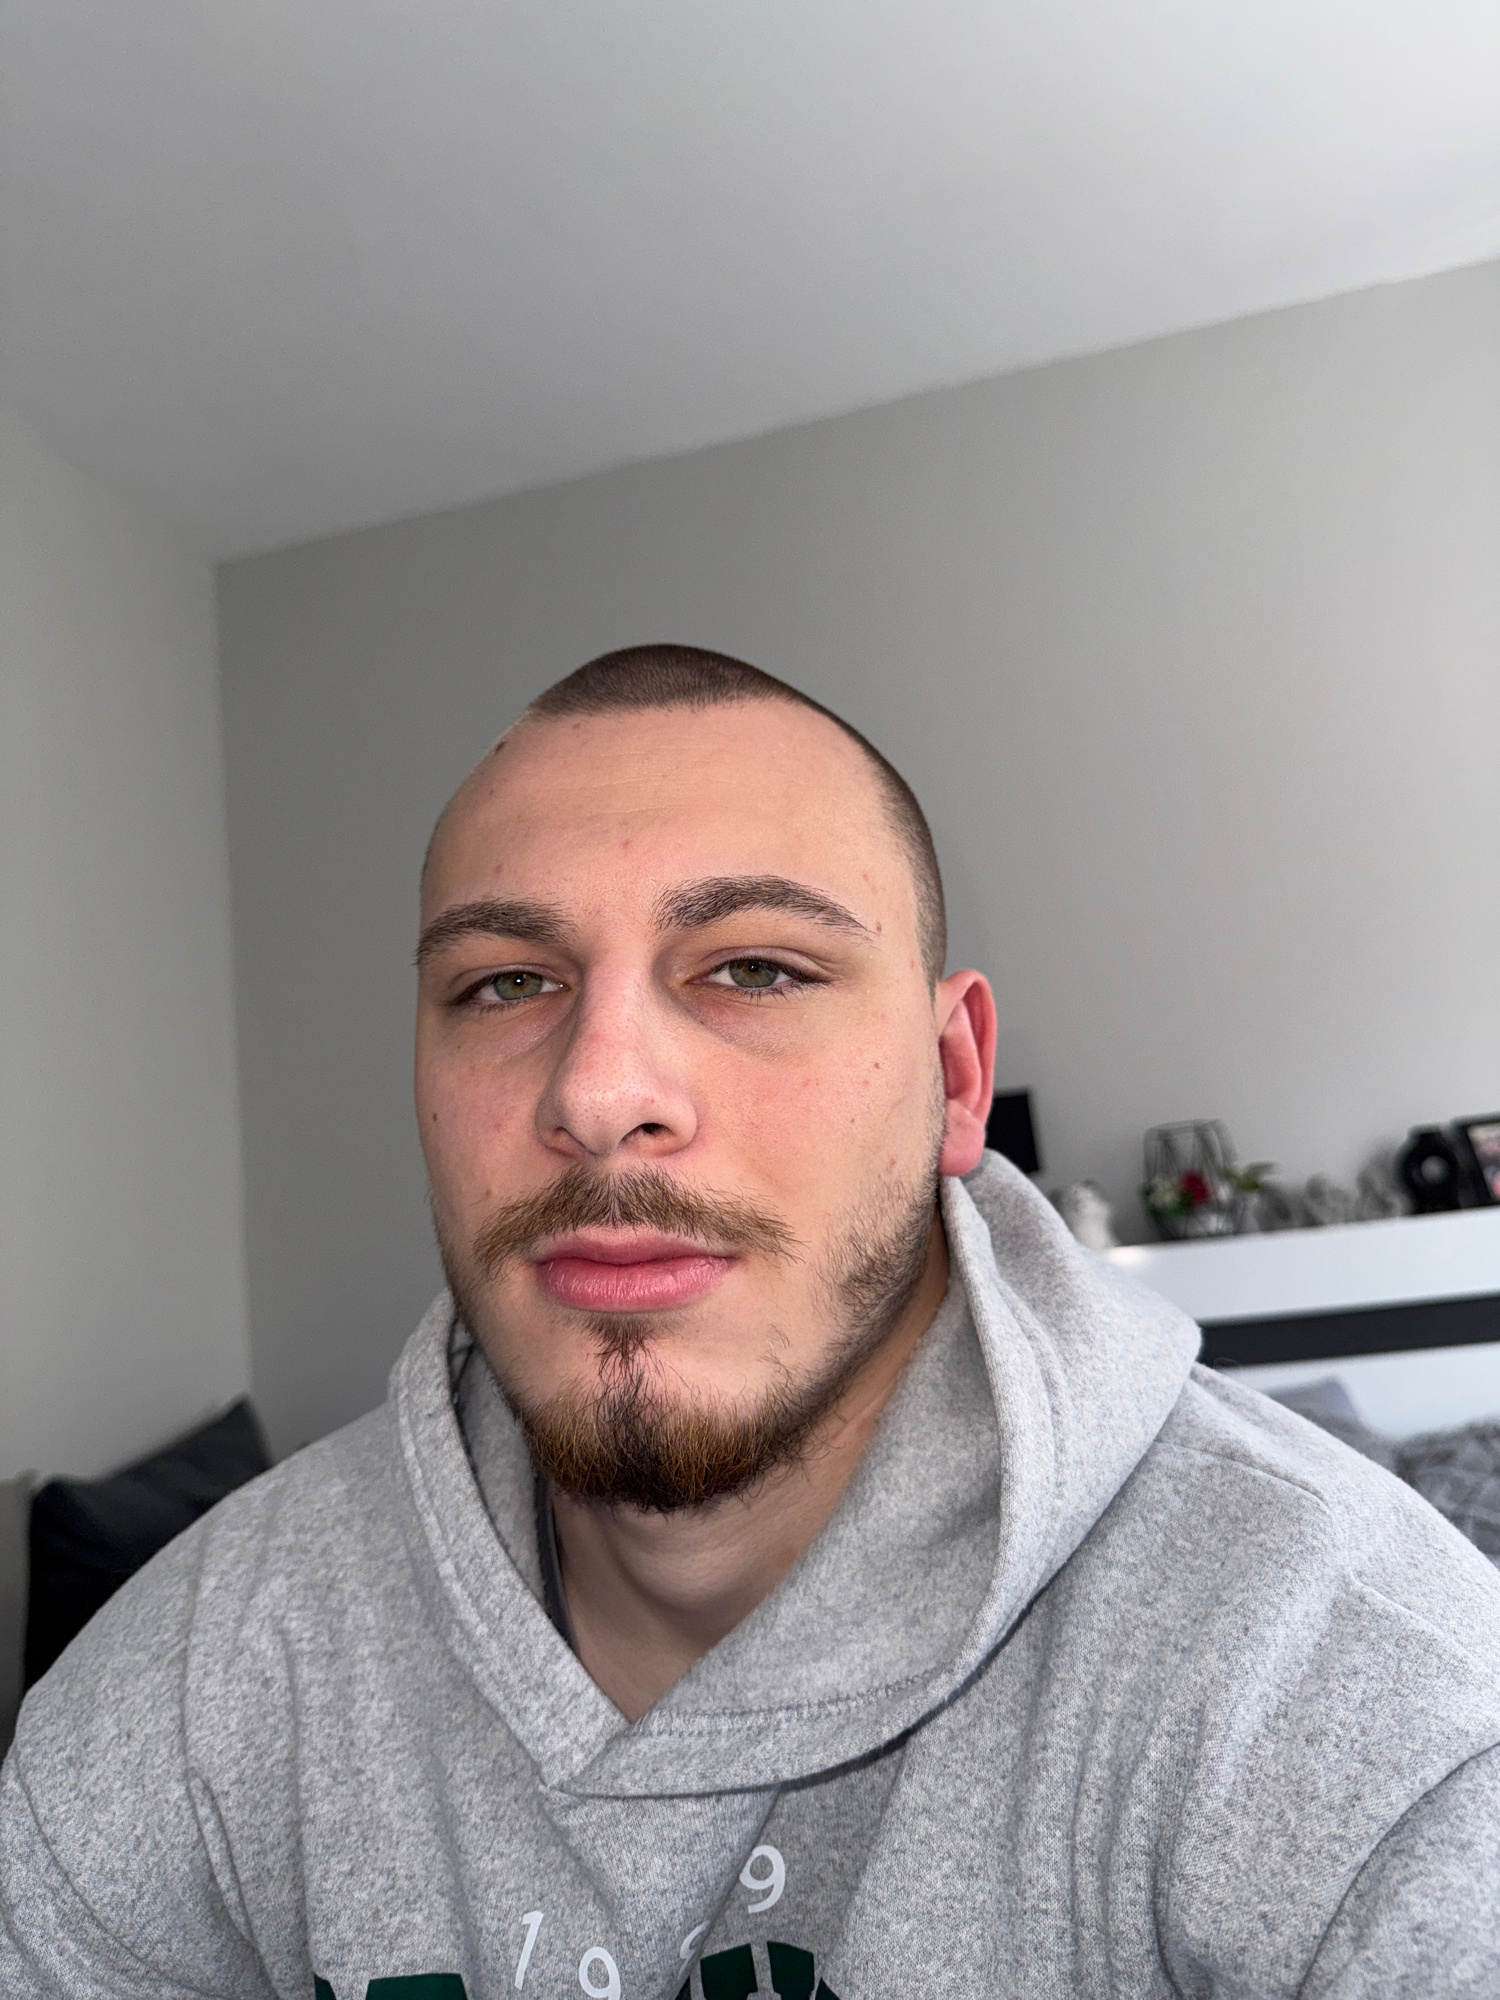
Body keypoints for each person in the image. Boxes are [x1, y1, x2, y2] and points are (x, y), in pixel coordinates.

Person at [3, 645, 1500, 2000]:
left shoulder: (1358, 1704)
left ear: (953, 1080)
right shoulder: (193, 1689)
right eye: (507, 982)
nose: (598, 1093)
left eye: (756, 969)